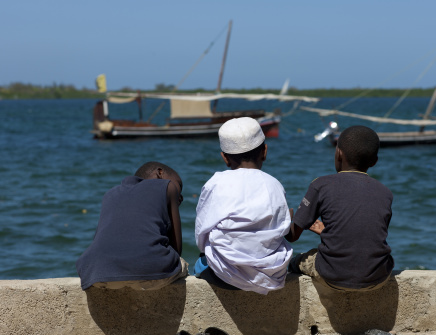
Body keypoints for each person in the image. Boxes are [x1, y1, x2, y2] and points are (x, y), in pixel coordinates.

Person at [286, 125, 394, 291]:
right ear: (374, 161)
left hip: (333, 277)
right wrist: (327, 232)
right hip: (378, 277)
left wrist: (286, 219)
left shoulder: (321, 185)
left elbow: (293, 236)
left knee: (296, 261)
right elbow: (367, 235)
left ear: (338, 153)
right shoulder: (385, 193)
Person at [194, 117, 293, 295]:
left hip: (224, 277)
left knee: (200, 263)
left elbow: (201, 235)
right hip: (272, 275)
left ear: (225, 157)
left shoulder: (216, 183)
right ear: (265, 151)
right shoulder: (274, 185)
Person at [76, 161, 188, 291]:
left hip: (95, 275)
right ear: (160, 173)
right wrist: (173, 201)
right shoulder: (167, 186)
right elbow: (176, 250)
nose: (180, 195)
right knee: (180, 264)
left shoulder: (111, 193)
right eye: (179, 185)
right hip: (151, 274)